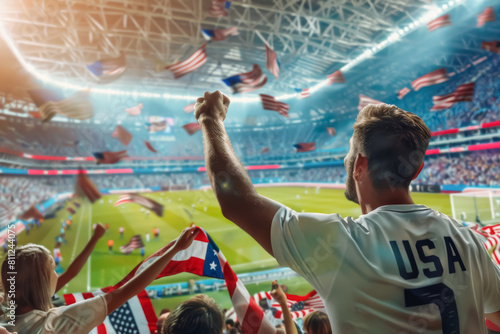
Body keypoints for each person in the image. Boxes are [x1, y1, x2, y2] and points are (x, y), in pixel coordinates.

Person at [194, 91, 500, 332]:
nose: (345, 162)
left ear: (360, 166)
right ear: (417, 169)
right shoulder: (469, 242)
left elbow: (236, 200)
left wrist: (210, 118)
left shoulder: (340, 244)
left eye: (349, 155)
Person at [0, 227, 198, 334]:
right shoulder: (58, 324)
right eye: (52, 269)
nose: (57, 275)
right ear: (41, 282)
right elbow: (125, 292)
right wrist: (175, 250)